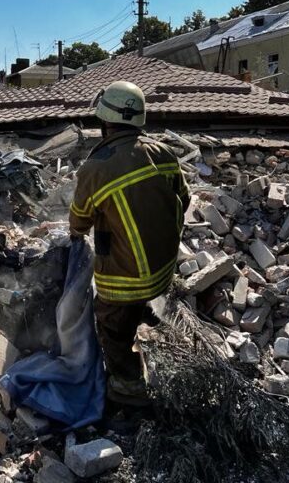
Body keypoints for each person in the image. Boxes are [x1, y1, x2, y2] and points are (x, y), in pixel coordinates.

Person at [69, 81, 190, 406]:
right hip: (163, 269)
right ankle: (144, 317)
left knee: (112, 330)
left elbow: (78, 222)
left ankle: (128, 389)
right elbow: (185, 198)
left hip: (123, 279)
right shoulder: (163, 152)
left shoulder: (96, 167)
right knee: (134, 309)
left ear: (104, 120)